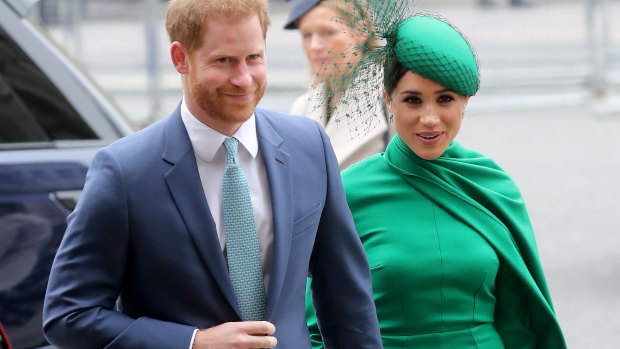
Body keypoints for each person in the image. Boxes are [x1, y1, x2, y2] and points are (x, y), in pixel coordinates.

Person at [42, 0, 383, 348]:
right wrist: (192, 342)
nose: (244, 78)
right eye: (224, 61)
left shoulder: (309, 145)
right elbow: (68, 315)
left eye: (254, 58)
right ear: (180, 58)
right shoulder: (124, 171)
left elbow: (346, 300)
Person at [305, 10, 567, 349]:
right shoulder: (347, 193)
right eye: (412, 100)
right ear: (388, 101)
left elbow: (522, 321)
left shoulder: (493, 185)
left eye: (445, 99)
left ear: (465, 102)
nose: (430, 119)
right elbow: (317, 328)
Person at [284, 0, 392, 169]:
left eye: (328, 32)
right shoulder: (301, 108)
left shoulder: (393, 100)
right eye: (307, 35)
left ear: (361, 31)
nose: (314, 46)